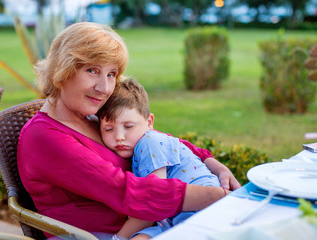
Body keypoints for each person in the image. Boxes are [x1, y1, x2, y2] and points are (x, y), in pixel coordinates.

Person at [17, 22, 241, 239]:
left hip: (151, 226)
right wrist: (216, 197)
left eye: (111, 74)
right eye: (92, 70)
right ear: (62, 70)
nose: (104, 88)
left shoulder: (94, 116)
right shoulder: (45, 138)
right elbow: (124, 190)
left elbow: (157, 140)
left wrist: (213, 164)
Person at [98, 78, 223, 240]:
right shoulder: (136, 146)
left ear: (149, 122)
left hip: (201, 213)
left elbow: (154, 201)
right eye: (108, 129)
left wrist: (119, 238)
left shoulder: (150, 142)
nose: (119, 137)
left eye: (128, 127)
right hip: (170, 219)